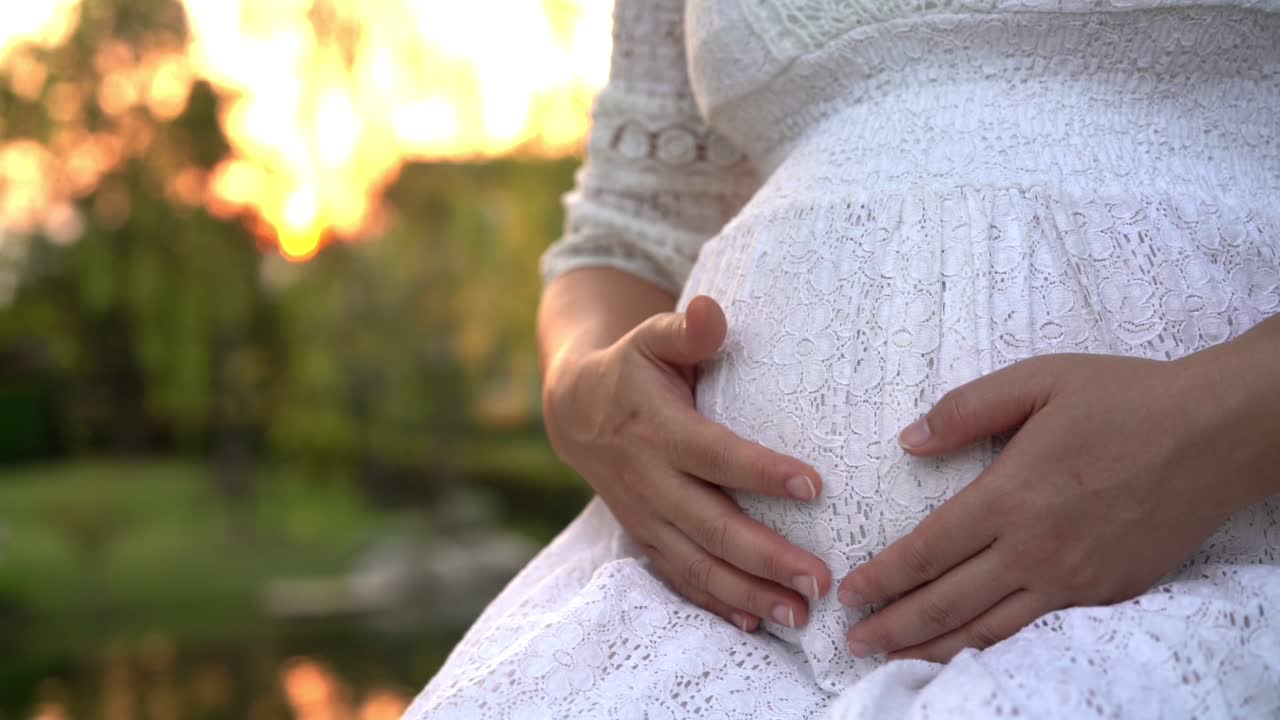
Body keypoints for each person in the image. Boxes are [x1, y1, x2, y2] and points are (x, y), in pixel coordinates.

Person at [405, 1, 1280, 717]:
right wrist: (584, 394)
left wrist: (1214, 426)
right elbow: (627, 227)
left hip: (1206, 573)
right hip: (706, 620)